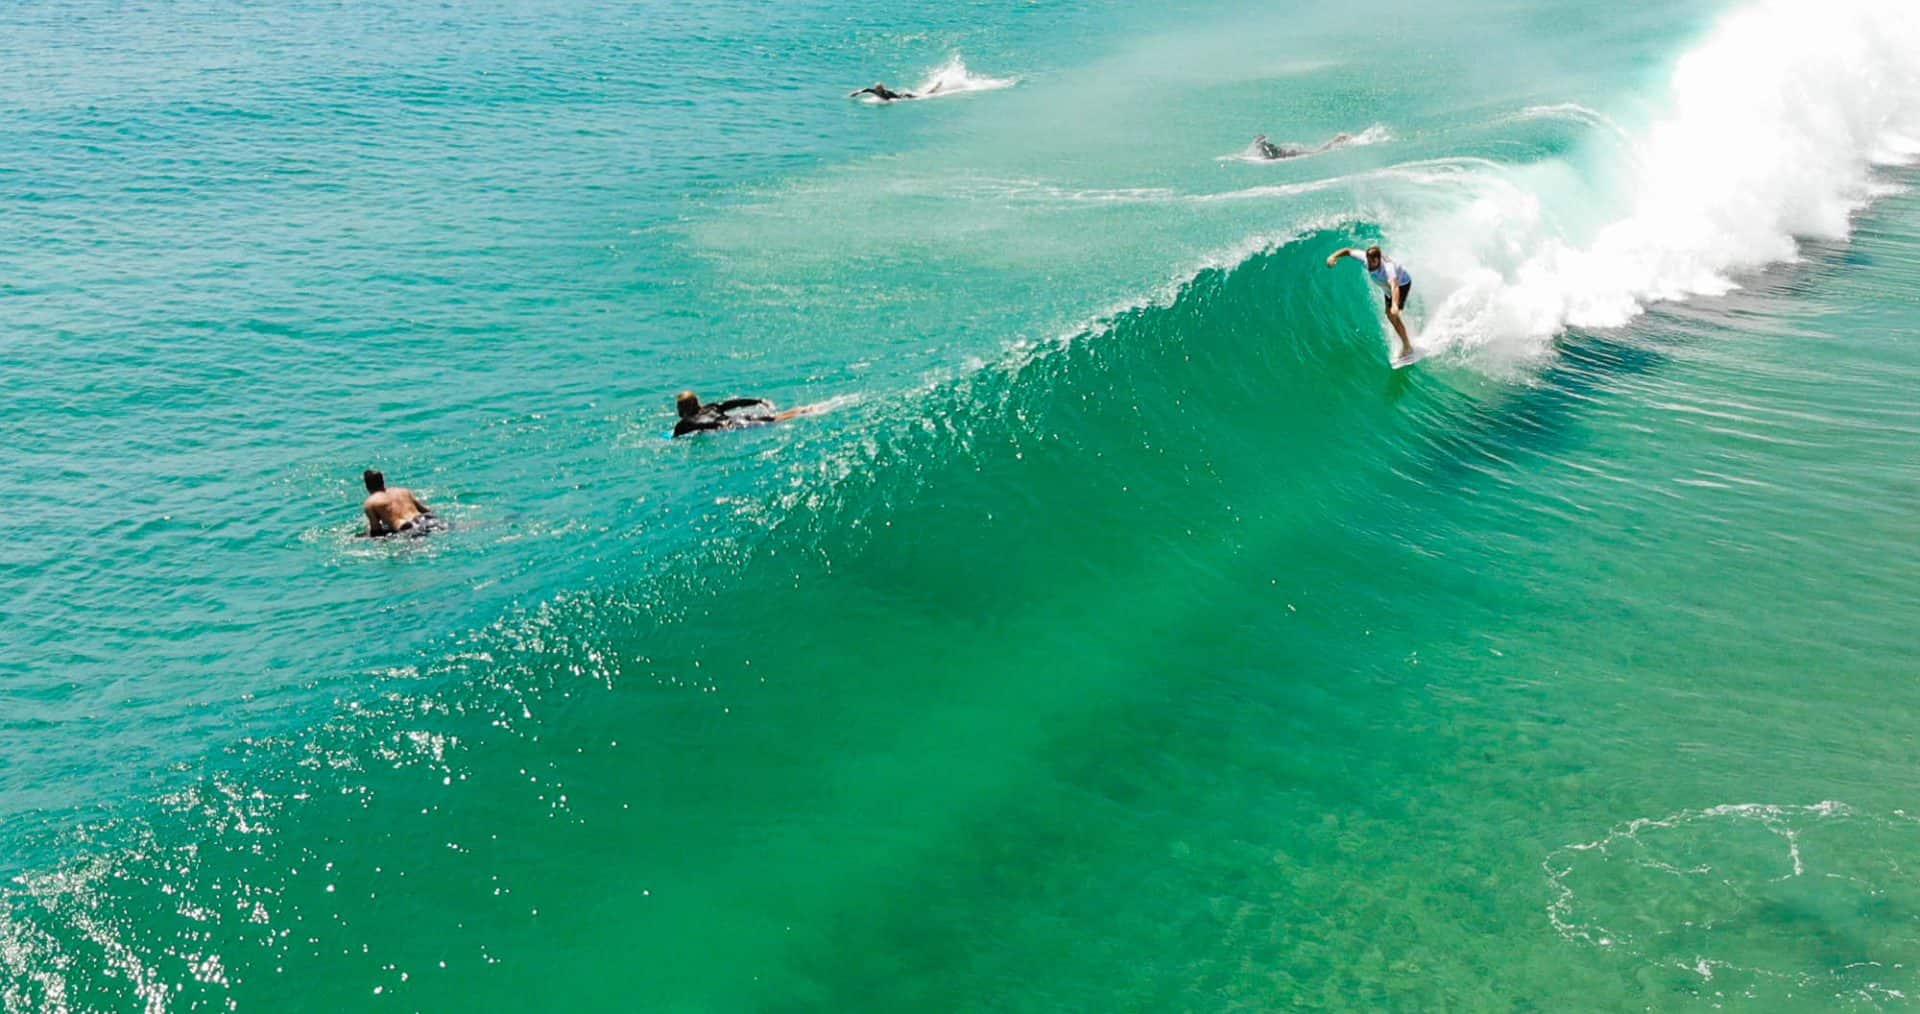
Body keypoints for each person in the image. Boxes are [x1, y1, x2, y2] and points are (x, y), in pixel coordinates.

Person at [1326, 245, 1416, 362]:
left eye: (1373, 261)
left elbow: (1395, 286)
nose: (1369, 264)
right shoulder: (1365, 258)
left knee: (1393, 314)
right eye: (1368, 260)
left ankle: (1407, 347)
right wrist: (1333, 256)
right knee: (1389, 314)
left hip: (1402, 284)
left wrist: (1394, 304)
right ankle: (1400, 315)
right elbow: (1348, 251)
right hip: (1387, 286)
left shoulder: (1388, 269)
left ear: (1378, 259)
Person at [672, 391, 818, 438]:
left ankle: (805, 412)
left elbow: (701, 425)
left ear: (683, 409)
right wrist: (758, 401)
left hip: (734, 425)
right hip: (740, 419)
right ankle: (805, 409)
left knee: (775, 421)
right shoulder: (711, 407)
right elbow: (734, 403)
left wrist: (719, 425)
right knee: (774, 418)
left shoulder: (684, 424)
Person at [360, 470, 437, 538]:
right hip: (425, 520)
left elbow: (376, 531)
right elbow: (426, 511)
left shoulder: (371, 502)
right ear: (383, 481)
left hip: (406, 527)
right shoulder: (403, 491)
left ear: (367, 486)